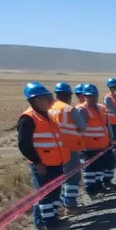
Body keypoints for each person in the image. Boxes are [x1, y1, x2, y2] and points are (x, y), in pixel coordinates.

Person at [16, 82, 71, 230]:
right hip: (43, 165)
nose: (50, 100)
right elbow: (23, 145)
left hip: (55, 162)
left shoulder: (47, 116)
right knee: (46, 195)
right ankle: (50, 226)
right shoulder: (28, 119)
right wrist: (37, 162)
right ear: (36, 100)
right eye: (46, 98)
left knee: (54, 193)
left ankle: (54, 219)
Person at [48, 82, 87, 213]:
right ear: (69, 96)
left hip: (52, 150)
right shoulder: (69, 109)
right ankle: (70, 205)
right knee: (72, 177)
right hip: (70, 148)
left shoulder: (48, 109)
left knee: (57, 179)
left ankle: (57, 209)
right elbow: (82, 127)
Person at [75, 84, 116, 196]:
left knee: (100, 168)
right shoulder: (82, 110)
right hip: (89, 147)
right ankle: (91, 191)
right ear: (84, 96)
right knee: (90, 170)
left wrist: (111, 138)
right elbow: (78, 130)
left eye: (95, 95)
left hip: (103, 145)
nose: (93, 98)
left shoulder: (101, 108)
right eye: (90, 96)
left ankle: (99, 187)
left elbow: (107, 125)